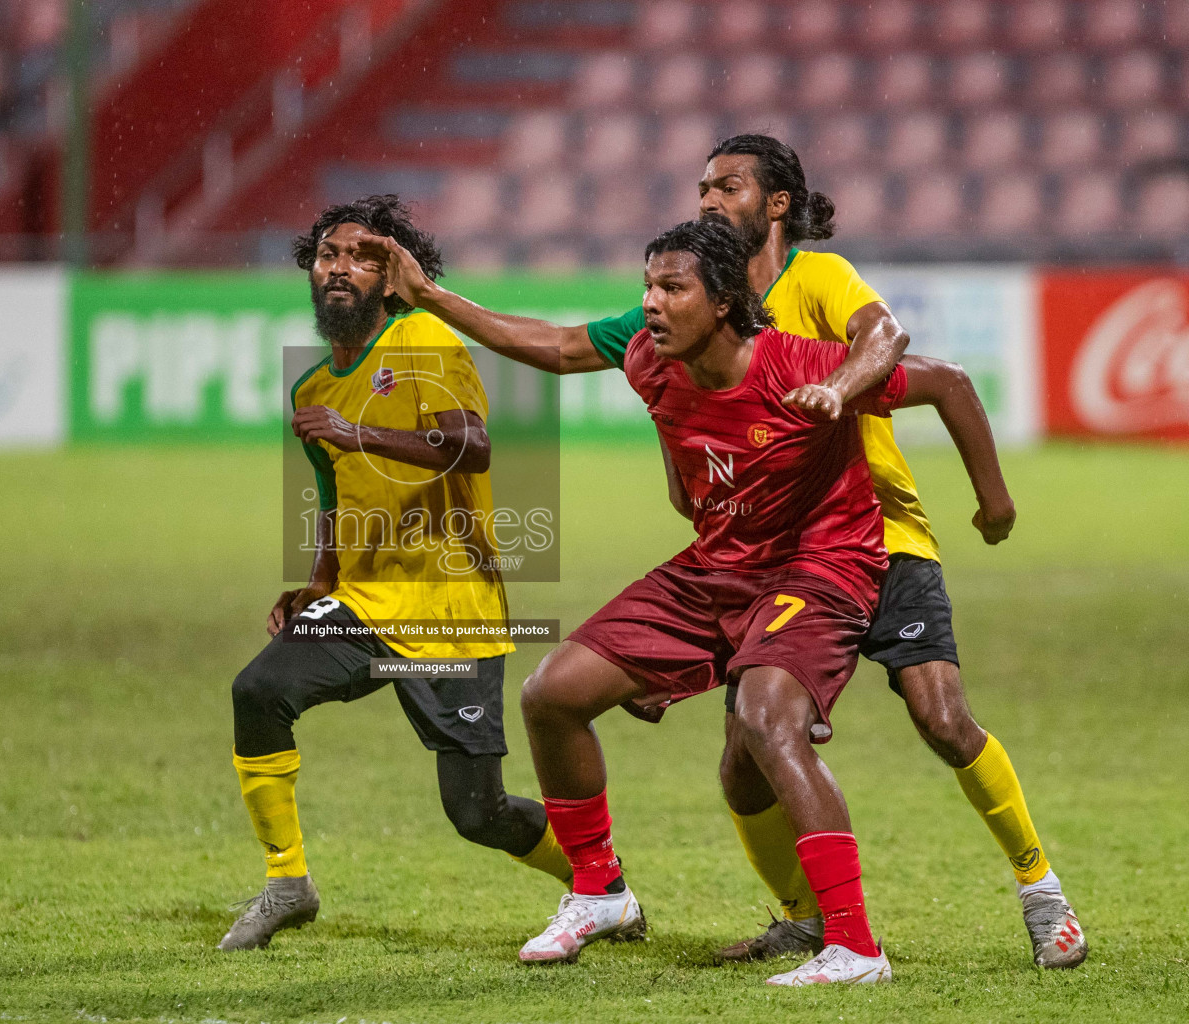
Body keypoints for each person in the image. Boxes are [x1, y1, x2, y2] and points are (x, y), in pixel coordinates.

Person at [358, 134, 1086, 971]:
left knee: (939, 720)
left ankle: (1034, 893)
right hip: (735, 555)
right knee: (703, 750)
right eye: (701, 187)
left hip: (868, 541)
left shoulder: (814, 286)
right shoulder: (661, 336)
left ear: (775, 207)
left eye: (726, 186)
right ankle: (728, 910)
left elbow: (905, 352)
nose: (708, 199)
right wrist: (430, 298)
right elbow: (558, 351)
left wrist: (848, 398)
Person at [497, 219, 1006, 983]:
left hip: (824, 567)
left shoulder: (801, 363)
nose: (650, 304)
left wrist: (992, 505)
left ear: (726, 299)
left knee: (768, 722)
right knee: (551, 693)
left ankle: (855, 947)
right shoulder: (648, 360)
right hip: (718, 570)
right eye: (648, 286)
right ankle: (599, 890)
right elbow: (672, 453)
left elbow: (949, 381)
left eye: (672, 289)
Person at [217, 196, 572, 952]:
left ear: (391, 277)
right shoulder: (312, 388)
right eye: (326, 254)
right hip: (363, 601)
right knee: (259, 690)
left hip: (450, 607)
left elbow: (470, 446)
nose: (338, 266)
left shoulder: (423, 339)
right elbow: (334, 496)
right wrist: (316, 583)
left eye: (362, 255)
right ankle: (288, 884)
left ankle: (600, 884)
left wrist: (357, 431)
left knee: (477, 814)